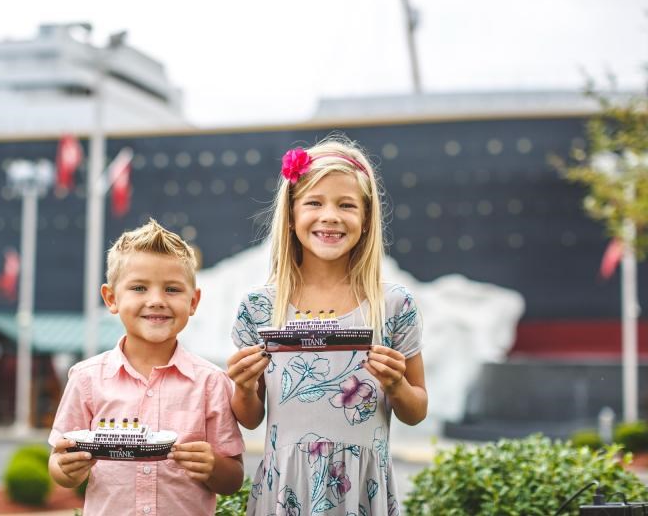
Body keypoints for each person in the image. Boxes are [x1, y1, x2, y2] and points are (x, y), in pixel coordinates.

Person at [228, 136, 427, 515]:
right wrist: (241, 384)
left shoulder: (393, 304)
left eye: (346, 205)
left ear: (366, 219)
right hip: (285, 486)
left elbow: (416, 411)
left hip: (361, 488)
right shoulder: (259, 307)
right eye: (314, 202)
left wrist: (397, 385)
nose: (330, 216)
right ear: (291, 215)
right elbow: (250, 418)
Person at [48, 219, 245, 516]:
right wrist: (66, 470)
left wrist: (213, 466)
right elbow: (58, 459)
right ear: (111, 298)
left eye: (172, 289)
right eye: (139, 288)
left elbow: (234, 478)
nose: (156, 301)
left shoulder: (212, 382)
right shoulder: (86, 378)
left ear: (193, 301)